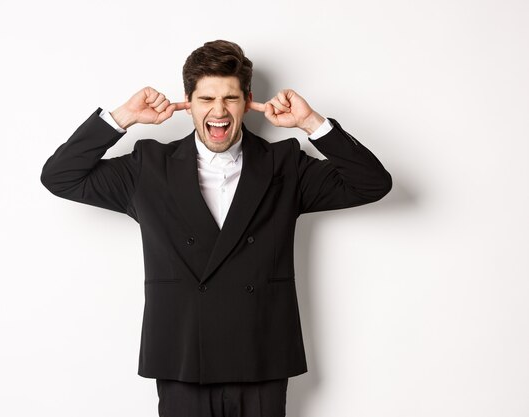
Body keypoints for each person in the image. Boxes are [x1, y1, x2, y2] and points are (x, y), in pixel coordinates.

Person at [41, 40, 392, 417]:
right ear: (188, 102)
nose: (219, 111)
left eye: (230, 98)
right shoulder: (149, 166)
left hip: (261, 355)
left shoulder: (284, 163)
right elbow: (60, 177)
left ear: (248, 101)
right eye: (206, 99)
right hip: (182, 358)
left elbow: (372, 183)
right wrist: (122, 117)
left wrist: (311, 123)